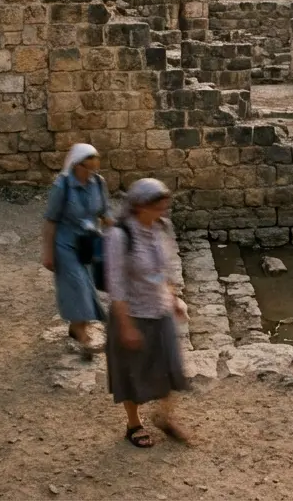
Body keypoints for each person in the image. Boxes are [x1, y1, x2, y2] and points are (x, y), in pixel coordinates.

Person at [104, 178, 190, 448]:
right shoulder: (120, 237)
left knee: (170, 366)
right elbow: (115, 284)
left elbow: (161, 270)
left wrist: (173, 298)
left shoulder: (157, 229)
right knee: (131, 372)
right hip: (133, 314)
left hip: (159, 308)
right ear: (140, 206)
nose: (162, 212)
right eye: (157, 207)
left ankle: (164, 416)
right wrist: (126, 326)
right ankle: (133, 424)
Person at [42, 143, 111, 356]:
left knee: (88, 286)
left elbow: (104, 212)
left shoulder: (98, 184)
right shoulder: (62, 186)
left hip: (88, 244)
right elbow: (50, 221)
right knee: (78, 286)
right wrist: (48, 252)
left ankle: (76, 327)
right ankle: (83, 336)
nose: (91, 170)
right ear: (77, 164)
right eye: (87, 165)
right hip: (66, 244)